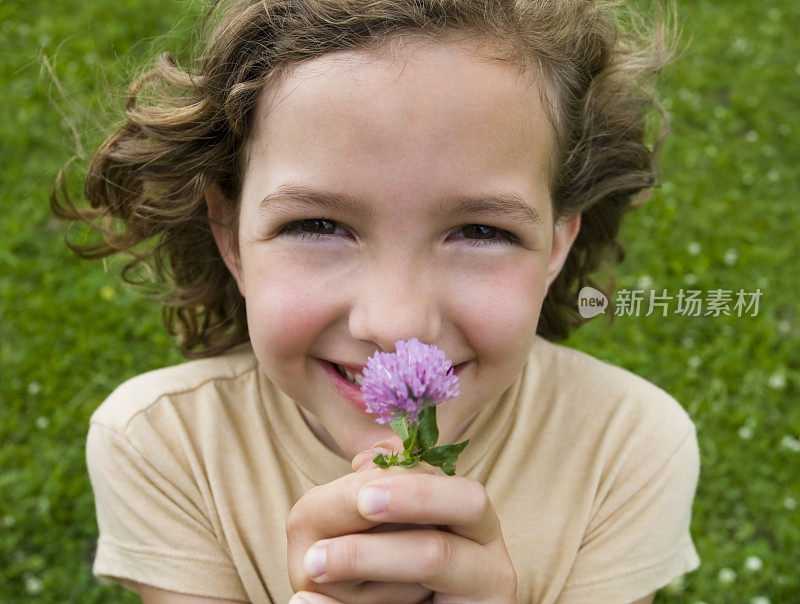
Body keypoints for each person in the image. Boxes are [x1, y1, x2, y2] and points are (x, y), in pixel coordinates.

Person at [52, 0, 699, 602]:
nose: (396, 324)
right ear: (231, 237)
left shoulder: (627, 450)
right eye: (318, 226)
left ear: (558, 244)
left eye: (481, 231)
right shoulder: (163, 447)